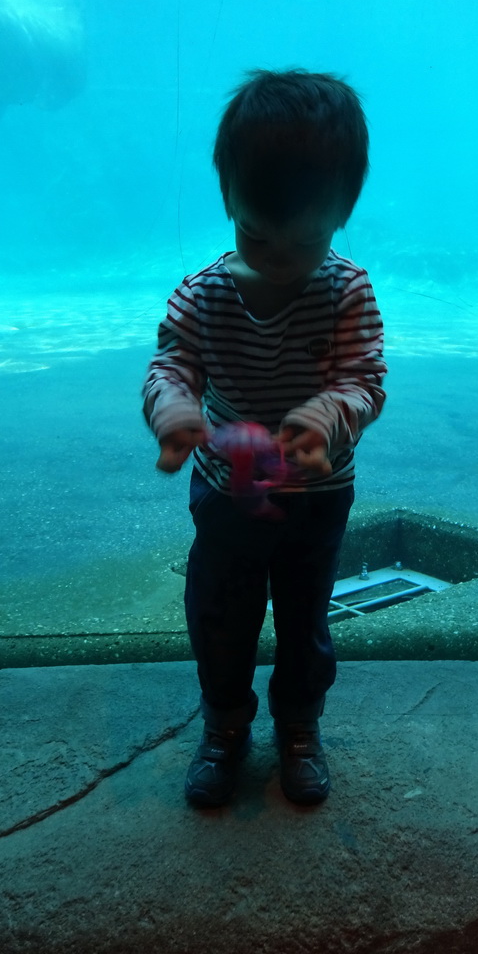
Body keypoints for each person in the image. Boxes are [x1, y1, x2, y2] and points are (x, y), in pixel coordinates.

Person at [142, 68, 387, 808]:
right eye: (256, 234)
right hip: (226, 496)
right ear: (227, 201)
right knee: (219, 615)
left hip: (317, 498)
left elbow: (364, 379)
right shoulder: (201, 294)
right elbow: (169, 365)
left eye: (305, 240)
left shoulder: (347, 291)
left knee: (307, 622)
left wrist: (325, 415)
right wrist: (176, 412)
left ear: (344, 214)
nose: (280, 258)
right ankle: (223, 728)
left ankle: (299, 728)